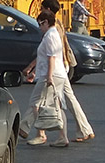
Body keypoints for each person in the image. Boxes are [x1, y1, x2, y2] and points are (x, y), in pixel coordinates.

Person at [28, 0, 95, 142]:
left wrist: (35, 69)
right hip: (61, 66)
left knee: (45, 100)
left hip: (57, 67)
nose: (41, 11)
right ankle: (83, 130)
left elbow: (50, 53)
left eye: (42, 9)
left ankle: (38, 132)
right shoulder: (57, 24)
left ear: (48, 10)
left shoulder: (53, 27)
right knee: (68, 100)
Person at [19, 10, 69, 147]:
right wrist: (34, 71)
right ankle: (62, 137)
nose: (40, 28)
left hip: (51, 74)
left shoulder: (50, 36)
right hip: (55, 74)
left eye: (40, 24)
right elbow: (44, 58)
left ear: (46, 22)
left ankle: (41, 134)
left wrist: (48, 76)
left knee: (36, 103)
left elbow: (51, 57)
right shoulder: (51, 34)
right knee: (56, 105)